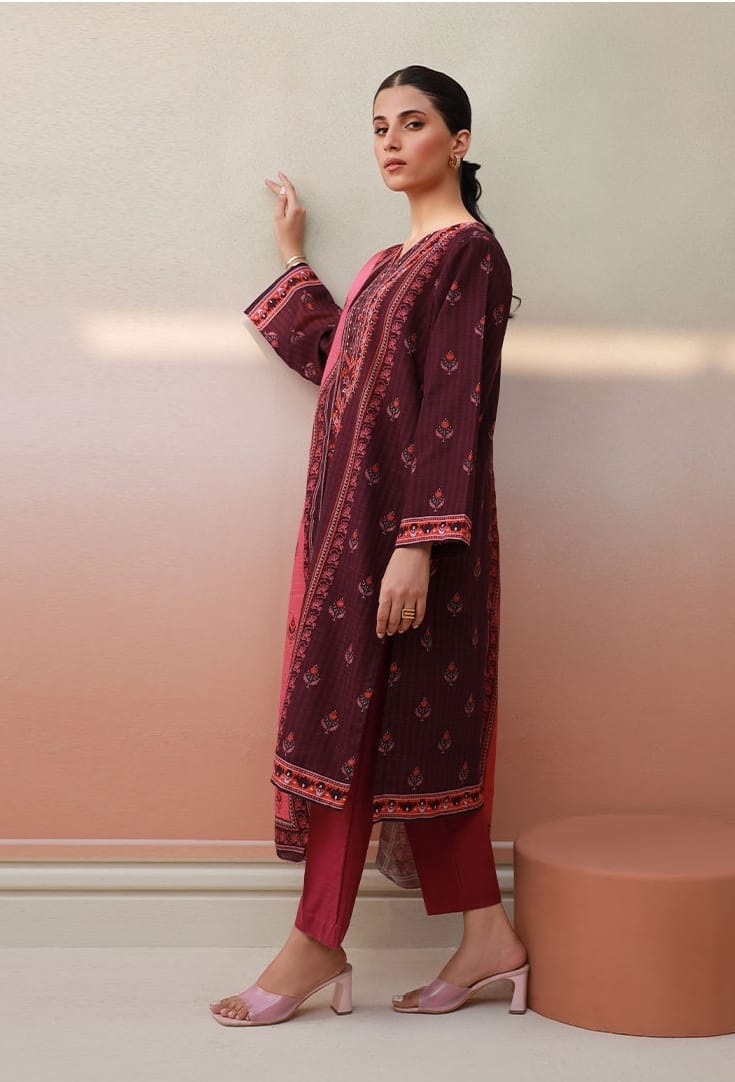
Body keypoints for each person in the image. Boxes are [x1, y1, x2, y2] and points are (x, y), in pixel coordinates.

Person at [210, 65, 529, 1027]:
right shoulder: (389, 265)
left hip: (415, 540)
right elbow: (340, 368)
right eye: (379, 126)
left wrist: (420, 545)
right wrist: (292, 257)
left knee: (371, 732)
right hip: (352, 539)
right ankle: (486, 939)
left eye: (414, 123)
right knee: (397, 731)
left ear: (458, 141)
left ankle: (315, 943)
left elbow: (453, 412)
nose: (391, 141)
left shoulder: (469, 256)